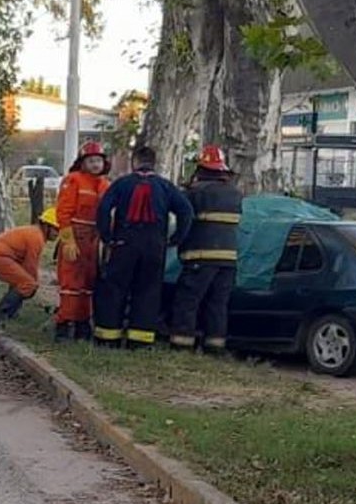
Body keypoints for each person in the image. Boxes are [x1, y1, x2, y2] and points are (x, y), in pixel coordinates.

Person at [93, 146, 193, 348]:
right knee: (148, 291)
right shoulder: (165, 187)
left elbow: (104, 208)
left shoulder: (122, 184)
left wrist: (106, 236)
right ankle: (140, 341)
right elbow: (186, 211)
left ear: (134, 162)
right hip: (154, 246)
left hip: (124, 243)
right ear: (154, 162)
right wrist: (176, 238)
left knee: (115, 288)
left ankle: (107, 338)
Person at [169, 145, 242, 353]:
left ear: (200, 169)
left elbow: (184, 219)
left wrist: (176, 241)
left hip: (200, 257)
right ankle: (215, 347)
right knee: (217, 304)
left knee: (188, 301)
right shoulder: (236, 194)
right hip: (229, 259)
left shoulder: (194, 193)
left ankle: (181, 345)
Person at [55, 141, 111, 341]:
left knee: (89, 282)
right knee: (71, 283)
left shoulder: (105, 184)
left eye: (98, 161)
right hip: (76, 235)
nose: (96, 165)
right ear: (83, 162)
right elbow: (63, 212)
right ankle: (64, 324)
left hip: (94, 239)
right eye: (91, 161)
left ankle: (82, 324)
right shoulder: (73, 180)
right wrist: (68, 240)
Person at [0, 207, 59, 320]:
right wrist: (34, 284)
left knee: (23, 281)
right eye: (56, 229)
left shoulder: (34, 232)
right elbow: (30, 266)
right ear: (46, 226)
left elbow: (26, 267)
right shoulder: (36, 238)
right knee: (28, 284)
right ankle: (0, 314)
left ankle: (11, 313)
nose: (57, 234)